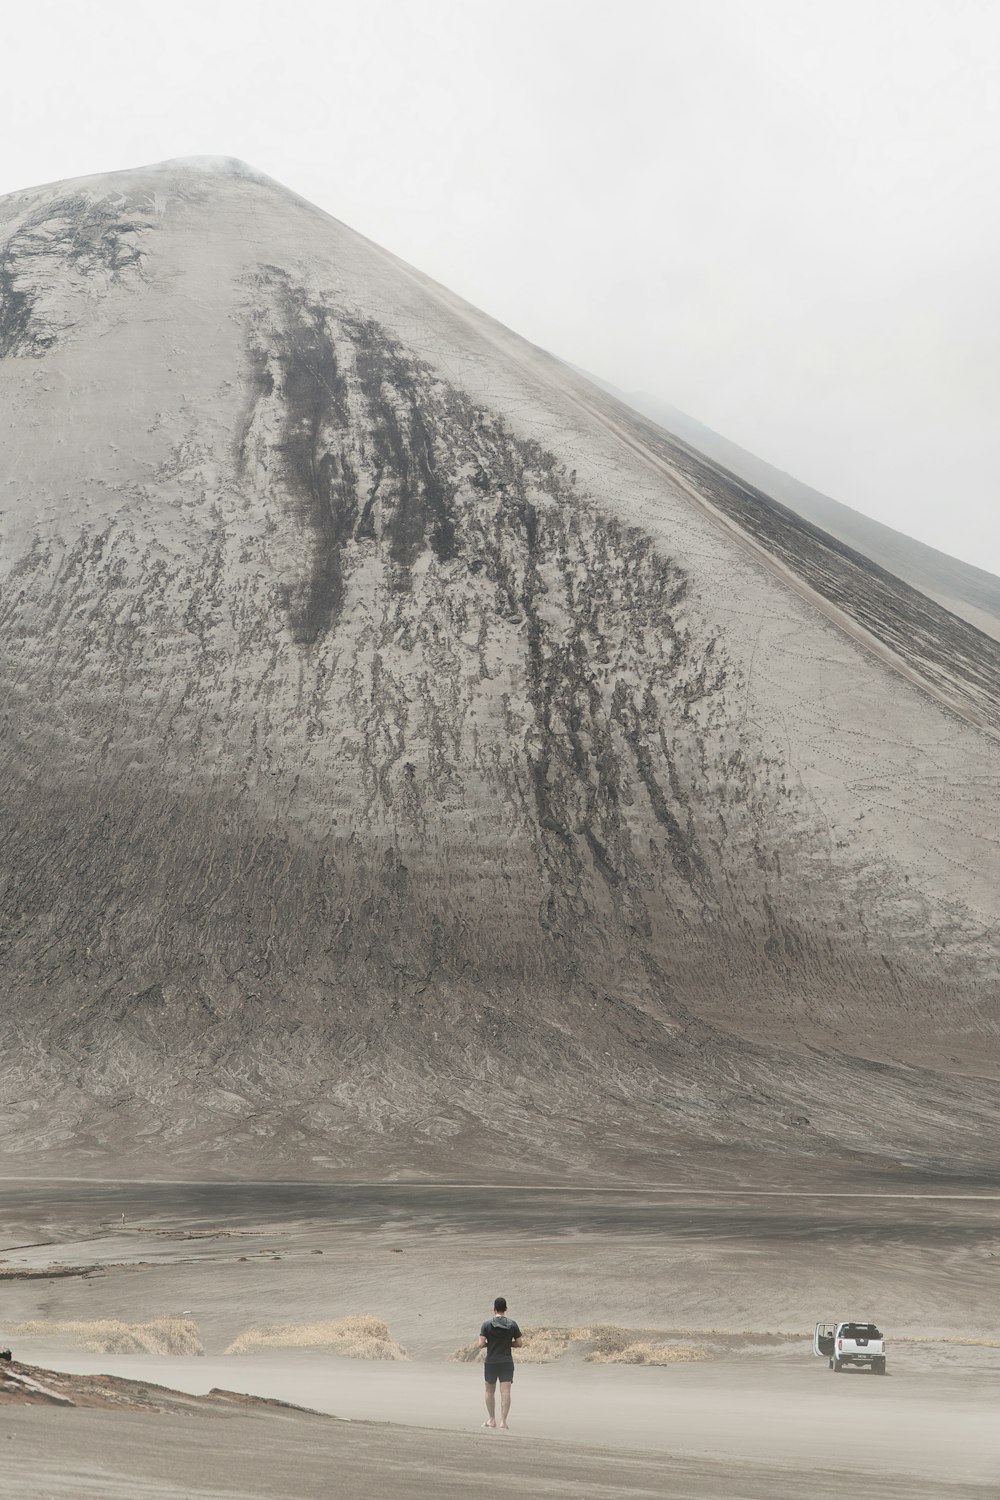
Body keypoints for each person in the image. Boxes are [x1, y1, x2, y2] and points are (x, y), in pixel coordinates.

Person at [479, 1295, 523, 1430]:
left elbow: (481, 1344)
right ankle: (503, 1422)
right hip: (506, 1362)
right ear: (506, 1309)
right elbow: (519, 1343)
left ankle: (492, 1420)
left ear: (494, 1309)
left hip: (491, 1362)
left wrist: (490, 1344)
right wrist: (508, 1344)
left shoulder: (486, 1324)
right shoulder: (513, 1324)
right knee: (506, 1392)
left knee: (489, 1391)